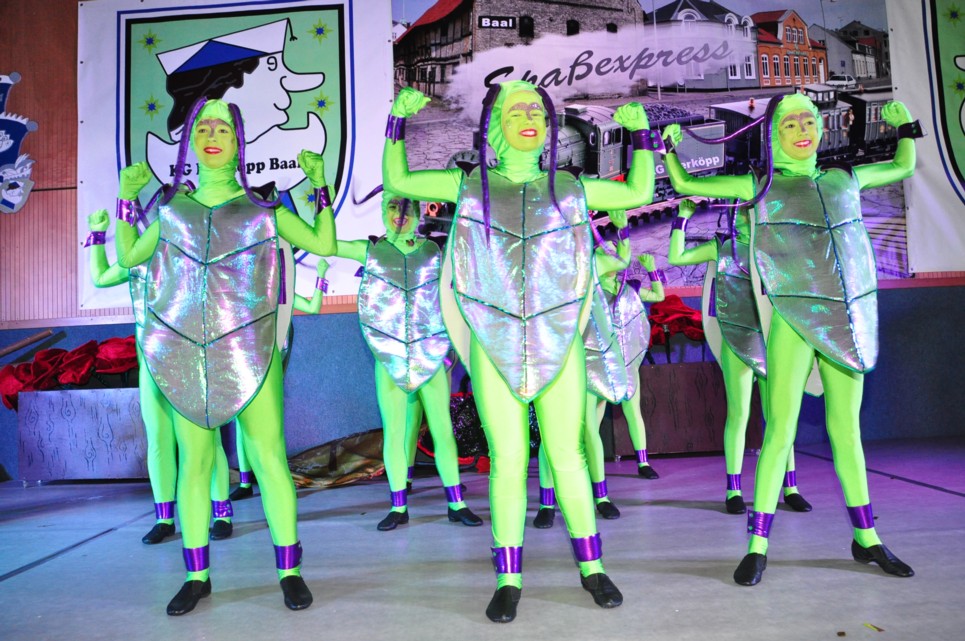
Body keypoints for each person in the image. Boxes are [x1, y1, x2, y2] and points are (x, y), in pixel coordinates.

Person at [382, 81, 659, 622]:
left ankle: (593, 568)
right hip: (495, 343)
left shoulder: (571, 188)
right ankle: (508, 579)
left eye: (537, 108)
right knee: (508, 460)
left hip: (559, 341)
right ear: (495, 127)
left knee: (568, 455)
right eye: (517, 110)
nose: (530, 116)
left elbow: (637, 192)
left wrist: (643, 135)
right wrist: (396, 121)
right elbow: (400, 179)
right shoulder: (470, 186)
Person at [661, 93, 920, 586]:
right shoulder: (759, 186)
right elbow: (686, 184)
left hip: (845, 320)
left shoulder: (845, 178)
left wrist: (906, 125)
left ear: (821, 128)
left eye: (808, 120)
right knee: (780, 429)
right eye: (789, 123)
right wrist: (669, 147)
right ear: (772, 135)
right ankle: (758, 546)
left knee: (847, 431)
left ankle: (867, 538)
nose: (802, 129)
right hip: (791, 320)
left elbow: (903, 164)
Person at [115, 98, 336, 614]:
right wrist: (126, 201)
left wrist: (320, 185)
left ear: (238, 142)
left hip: (251, 352)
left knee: (269, 457)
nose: (212, 134)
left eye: (222, 128)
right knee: (194, 462)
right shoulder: (171, 209)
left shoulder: (265, 207)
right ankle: (197, 577)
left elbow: (323, 243)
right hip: (186, 354)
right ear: (190, 142)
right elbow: (128, 256)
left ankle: (290, 571)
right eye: (203, 128)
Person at [333, 190, 482, 530]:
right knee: (395, 431)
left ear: (419, 213)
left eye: (408, 208)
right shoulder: (369, 250)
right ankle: (398, 506)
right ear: (382, 211)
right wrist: (322, 198)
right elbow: (325, 244)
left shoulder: (435, 252)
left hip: (430, 354)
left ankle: (456, 502)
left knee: (442, 429)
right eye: (392, 207)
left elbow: (459, 286)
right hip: (389, 357)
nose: (400, 214)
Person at [85, 209, 236, 542]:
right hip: (152, 367)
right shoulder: (138, 261)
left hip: (194, 363)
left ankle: (221, 512)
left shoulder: (195, 258)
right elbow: (100, 278)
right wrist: (96, 234)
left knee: (207, 440)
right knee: (158, 440)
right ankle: (164, 518)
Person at [666, 199, 812, 516]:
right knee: (739, 414)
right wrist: (682, 218)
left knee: (780, 417)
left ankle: (790, 487)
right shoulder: (721, 247)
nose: (746, 214)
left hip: (771, 340)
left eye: (751, 208)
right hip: (736, 338)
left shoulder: (773, 248)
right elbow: (676, 257)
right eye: (741, 209)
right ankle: (733, 489)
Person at [534, 235, 664, 529]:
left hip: (601, 365)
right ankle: (547, 502)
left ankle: (602, 495)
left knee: (591, 429)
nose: (614, 259)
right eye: (606, 253)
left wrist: (624, 234)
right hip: (564, 363)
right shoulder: (572, 280)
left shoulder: (622, 289)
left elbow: (647, 291)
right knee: (553, 433)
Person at [229, 259, 330, 502]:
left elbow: (313, 307)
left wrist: (321, 276)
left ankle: (268, 479)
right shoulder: (247, 295)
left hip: (274, 364)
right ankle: (245, 480)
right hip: (249, 362)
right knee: (242, 420)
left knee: (270, 424)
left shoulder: (283, 294)